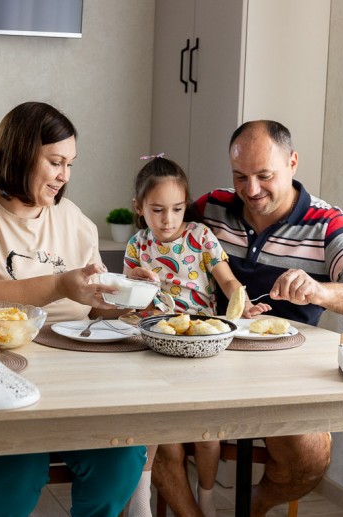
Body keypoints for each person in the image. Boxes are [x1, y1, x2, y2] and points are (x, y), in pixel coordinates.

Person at [151, 119, 343, 517]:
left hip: (284, 379)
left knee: (310, 456)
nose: (250, 190)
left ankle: (252, 510)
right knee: (149, 435)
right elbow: (156, 228)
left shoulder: (326, 224)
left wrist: (321, 291)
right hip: (196, 368)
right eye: (240, 176)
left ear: (293, 163)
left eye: (265, 176)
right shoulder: (211, 206)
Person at [0, 101, 146, 516]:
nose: (65, 176)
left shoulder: (74, 219)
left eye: (70, 164)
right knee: (14, 472)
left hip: (76, 378)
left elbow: (93, 310)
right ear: (22, 153)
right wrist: (61, 282)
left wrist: (125, 302)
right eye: (56, 162)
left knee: (121, 459)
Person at [123, 155, 270, 517]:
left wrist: (244, 304)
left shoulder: (201, 236)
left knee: (209, 436)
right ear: (139, 208)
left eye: (176, 208)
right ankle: (140, 502)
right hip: (154, 344)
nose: (168, 219)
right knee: (150, 425)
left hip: (203, 344)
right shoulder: (137, 246)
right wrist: (134, 290)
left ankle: (206, 498)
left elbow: (227, 281)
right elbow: (125, 297)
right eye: (157, 210)